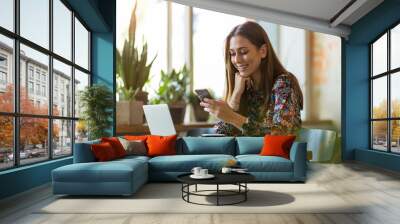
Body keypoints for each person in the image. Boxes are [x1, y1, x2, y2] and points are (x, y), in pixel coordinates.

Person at [200, 21, 303, 136]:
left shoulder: (284, 83)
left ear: (263, 51)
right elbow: (221, 136)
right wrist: (235, 98)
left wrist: (232, 117)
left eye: (243, 52)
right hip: (246, 154)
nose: (237, 60)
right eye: (232, 54)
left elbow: (280, 133)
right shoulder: (244, 88)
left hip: (277, 154)